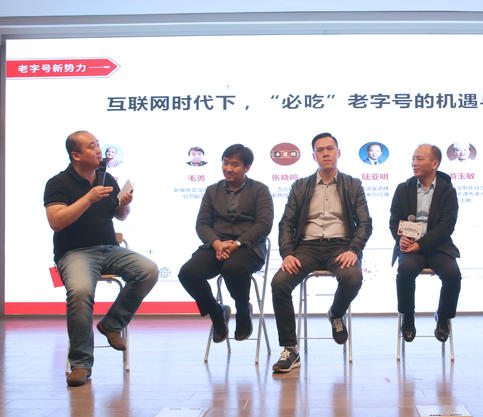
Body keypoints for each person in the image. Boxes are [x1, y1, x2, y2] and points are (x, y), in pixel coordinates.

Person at [44, 131, 158, 387]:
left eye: (98, 145)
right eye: (92, 146)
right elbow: (56, 221)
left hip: (109, 248)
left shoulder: (106, 178)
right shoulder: (58, 183)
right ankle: (81, 364)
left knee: (148, 270)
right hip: (74, 252)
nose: (99, 150)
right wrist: (88, 198)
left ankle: (112, 324)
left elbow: (120, 215)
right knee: (80, 291)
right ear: (76, 155)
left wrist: (123, 203)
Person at [270, 132, 372, 373]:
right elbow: (286, 223)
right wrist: (287, 254)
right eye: (320, 150)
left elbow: (365, 223)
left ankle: (335, 314)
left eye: (330, 149)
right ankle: (290, 348)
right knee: (279, 282)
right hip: (307, 247)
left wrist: (353, 250)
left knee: (353, 277)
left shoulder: (353, 185)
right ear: (313, 155)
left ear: (338, 152)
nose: (325, 153)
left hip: (340, 246)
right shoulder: (300, 186)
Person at [178, 144, 273, 343]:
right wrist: (216, 244)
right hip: (216, 246)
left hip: (248, 247)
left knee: (233, 268)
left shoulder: (260, 190)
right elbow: (202, 224)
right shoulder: (212, 191)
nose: (228, 168)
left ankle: (243, 310)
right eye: (225, 163)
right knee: (187, 273)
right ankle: (216, 312)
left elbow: (264, 225)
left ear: (247, 168)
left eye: (235, 165)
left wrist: (237, 244)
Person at [389, 144, 461, 343]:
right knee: (405, 270)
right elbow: (394, 221)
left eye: (419, 159)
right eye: (413, 158)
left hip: (438, 245)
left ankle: (443, 317)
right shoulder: (403, 188)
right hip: (410, 245)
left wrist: (422, 244)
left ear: (434, 163)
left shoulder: (447, 190)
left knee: (453, 274)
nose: (414, 163)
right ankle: (408, 317)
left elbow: (447, 225)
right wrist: (400, 239)